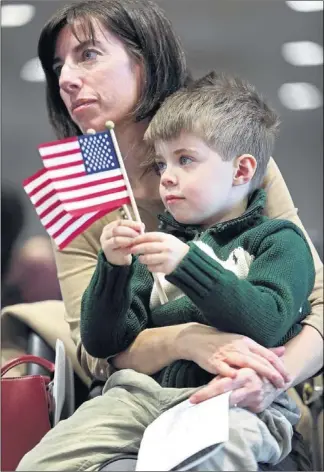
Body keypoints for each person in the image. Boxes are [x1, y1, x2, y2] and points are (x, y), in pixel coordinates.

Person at [14, 0, 323, 470]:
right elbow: (98, 352)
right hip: (132, 399)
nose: (66, 79)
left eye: (89, 55)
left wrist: (271, 379)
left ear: (145, 59)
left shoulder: (230, 154)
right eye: (59, 65)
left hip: (245, 397)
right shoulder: (80, 187)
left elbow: (314, 300)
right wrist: (188, 339)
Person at [78, 72, 315, 470]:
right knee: (46, 457)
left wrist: (189, 267)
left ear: (241, 171)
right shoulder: (152, 249)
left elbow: (268, 322)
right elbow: (105, 342)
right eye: (161, 163)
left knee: (216, 457)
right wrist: (114, 268)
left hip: (239, 405)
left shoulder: (279, 241)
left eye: (185, 159)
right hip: (141, 400)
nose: (167, 176)